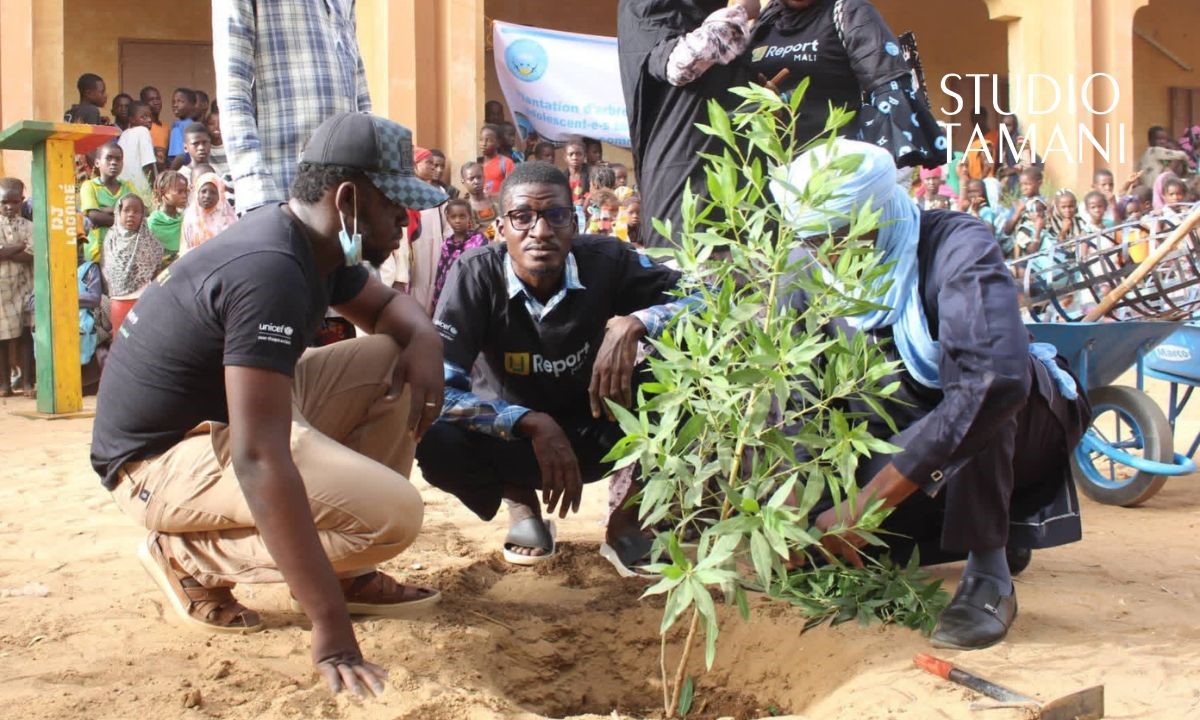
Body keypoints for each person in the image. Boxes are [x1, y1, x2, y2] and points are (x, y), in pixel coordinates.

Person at [90, 112, 447, 696]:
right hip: (155, 462)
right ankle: (187, 559)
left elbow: (385, 312)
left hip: (223, 423)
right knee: (393, 516)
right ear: (349, 200)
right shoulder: (272, 269)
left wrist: (425, 338)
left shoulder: (309, 243)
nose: (403, 222)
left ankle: (347, 571)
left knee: (391, 358)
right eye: (394, 206)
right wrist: (328, 627)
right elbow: (260, 457)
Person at [774, 139, 1089, 650]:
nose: (829, 253)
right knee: (824, 552)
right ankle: (988, 533)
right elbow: (798, 400)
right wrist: (792, 506)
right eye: (815, 241)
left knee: (982, 397)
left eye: (841, 235)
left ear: (879, 213)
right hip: (902, 442)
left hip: (1014, 428)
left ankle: (990, 573)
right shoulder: (803, 270)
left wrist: (866, 506)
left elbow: (995, 379)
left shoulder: (955, 246)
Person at [415, 161, 699, 564]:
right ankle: (521, 504)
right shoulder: (474, 274)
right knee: (434, 439)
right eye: (522, 217)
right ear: (500, 227)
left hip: (600, 430)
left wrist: (637, 323)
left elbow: (709, 296)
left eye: (556, 216)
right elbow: (437, 388)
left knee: (694, 381)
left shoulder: (609, 260)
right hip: (512, 442)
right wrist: (526, 421)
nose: (541, 231)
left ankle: (629, 521)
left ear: (575, 221)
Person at [619, 0, 759, 250]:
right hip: (686, 205)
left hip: (740, 205)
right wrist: (743, 10)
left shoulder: (706, 12)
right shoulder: (649, 7)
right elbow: (681, 65)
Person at [214, 0, 373, 215]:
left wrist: (370, 175)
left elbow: (358, 85)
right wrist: (256, 193)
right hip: (280, 191)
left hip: (345, 192)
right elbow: (233, 88)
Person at [744, 0, 942, 167]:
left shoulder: (851, 12)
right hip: (771, 166)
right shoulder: (766, 21)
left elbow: (885, 83)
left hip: (836, 166)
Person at [102, 194, 162, 335]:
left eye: (136, 211)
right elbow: (106, 269)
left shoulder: (149, 242)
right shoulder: (111, 241)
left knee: (143, 338)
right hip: (118, 300)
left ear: (143, 216)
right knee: (120, 339)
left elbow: (156, 267)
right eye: (126, 210)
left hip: (143, 299)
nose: (131, 215)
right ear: (118, 213)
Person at [0, 178, 34, 396]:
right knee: (2, 338)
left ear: (21, 201)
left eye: (14, 202)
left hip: (26, 287)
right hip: (3, 290)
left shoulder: (30, 226)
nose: (9, 207)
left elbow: (31, 254)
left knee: (25, 335)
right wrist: (19, 246)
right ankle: (4, 384)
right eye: (4, 202)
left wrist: (7, 251)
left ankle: (27, 381)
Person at [80, 143, 137, 262]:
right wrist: (125, 216)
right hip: (97, 253)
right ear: (97, 163)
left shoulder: (128, 186)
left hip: (124, 252)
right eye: (109, 158)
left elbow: (142, 213)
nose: (114, 162)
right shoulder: (89, 186)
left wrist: (107, 210)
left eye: (118, 159)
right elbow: (94, 217)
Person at [431, 198, 487, 311]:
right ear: (447, 219)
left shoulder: (479, 241)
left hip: (471, 294)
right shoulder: (446, 245)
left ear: (469, 218)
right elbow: (441, 274)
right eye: (453, 217)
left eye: (462, 216)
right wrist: (437, 299)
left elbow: (484, 270)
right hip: (449, 295)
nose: (457, 220)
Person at [182, 172, 238, 252]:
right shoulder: (190, 218)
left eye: (213, 192)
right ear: (197, 192)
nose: (207, 196)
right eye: (203, 191)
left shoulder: (227, 216)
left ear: (220, 194)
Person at [117, 102, 158, 202]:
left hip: (124, 189)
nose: (149, 120)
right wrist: (156, 188)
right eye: (143, 117)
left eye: (150, 116)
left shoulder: (124, 134)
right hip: (141, 189)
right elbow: (148, 164)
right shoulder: (143, 131)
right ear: (132, 119)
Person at [147, 171, 189, 266]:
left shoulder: (184, 219)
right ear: (163, 192)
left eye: (185, 191)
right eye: (179, 192)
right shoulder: (153, 223)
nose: (184, 196)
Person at [461, 161, 499, 237]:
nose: (476, 182)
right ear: (463, 181)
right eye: (471, 179)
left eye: (479, 177)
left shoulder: (496, 201)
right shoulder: (464, 208)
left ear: (484, 178)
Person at [479, 124, 515, 197]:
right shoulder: (477, 164)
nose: (483, 144)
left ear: (498, 143)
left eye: (488, 140)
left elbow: (512, 191)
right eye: (481, 139)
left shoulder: (506, 163)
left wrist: (490, 195)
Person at [167, 88, 198, 165]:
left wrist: (170, 170)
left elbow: (180, 156)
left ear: (192, 105)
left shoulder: (181, 125)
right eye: (173, 102)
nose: (175, 105)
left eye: (180, 101)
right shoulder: (191, 124)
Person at [140, 86, 171, 161]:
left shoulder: (166, 127)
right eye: (151, 100)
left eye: (158, 99)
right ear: (144, 103)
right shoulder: (143, 127)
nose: (156, 102)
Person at [564, 137, 591, 224]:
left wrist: (586, 201)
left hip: (588, 217)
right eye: (571, 154)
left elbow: (597, 193)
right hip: (568, 218)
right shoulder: (562, 177)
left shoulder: (591, 174)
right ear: (565, 157)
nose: (575, 157)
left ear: (584, 156)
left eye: (578, 154)